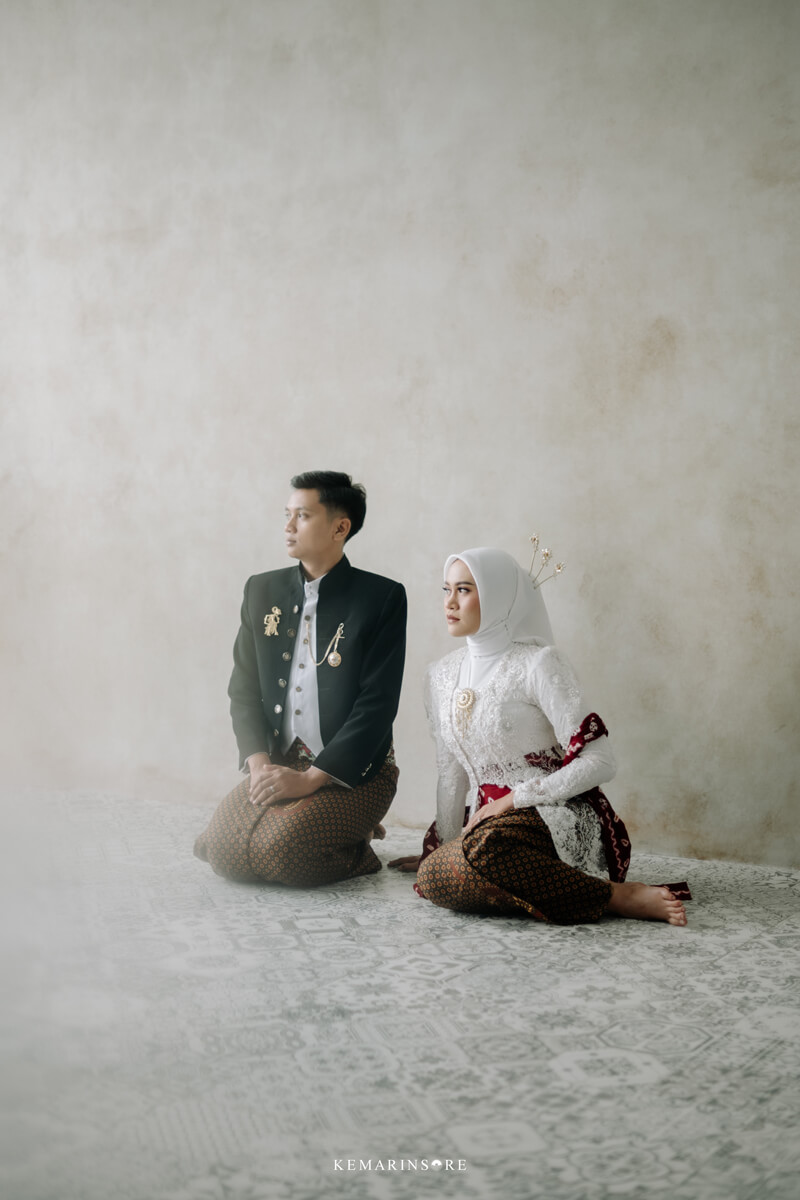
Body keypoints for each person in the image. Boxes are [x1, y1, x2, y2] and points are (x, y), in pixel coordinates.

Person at [389, 547, 688, 926]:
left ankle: (616, 896)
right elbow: (451, 774)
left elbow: (601, 761)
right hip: (483, 826)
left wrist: (514, 800)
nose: (450, 602)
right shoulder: (439, 675)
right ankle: (513, 878)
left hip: (552, 813)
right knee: (434, 874)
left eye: (464, 590)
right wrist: (448, 850)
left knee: (488, 849)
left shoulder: (538, 664)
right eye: (446, 589)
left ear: (497, 595)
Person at [194, 471, 407, 887]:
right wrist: (259, 766)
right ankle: (337, 828)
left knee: (284, 856)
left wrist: (312, 778)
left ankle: (359, 842)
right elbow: (243, 689)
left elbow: (378, 704)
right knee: (221, 850)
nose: (288, 526)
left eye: (303, 516)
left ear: (340, 528)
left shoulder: (381, 598)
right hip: (281, 762)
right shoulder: (261, 590)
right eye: (287, 515)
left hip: (356, 770)